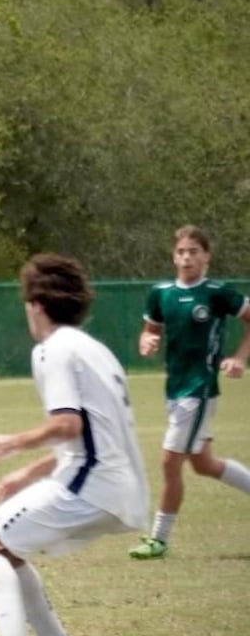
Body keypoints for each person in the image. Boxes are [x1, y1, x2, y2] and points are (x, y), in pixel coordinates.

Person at [0, 253, 149, 636]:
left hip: (93, 486)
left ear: (35, 305)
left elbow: (68, 424)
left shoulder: (54, 349)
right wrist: (28, 473)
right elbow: (90, 436)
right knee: (10, 552)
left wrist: (14, 442)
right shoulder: (96, 350)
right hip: (116, 486)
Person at [128, 225, 250, 560]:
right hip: (175, 388)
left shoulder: (217, 292)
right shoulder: (161, 293)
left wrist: (239, 358)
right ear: (174, 255)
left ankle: (158, 539)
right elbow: (149, 330)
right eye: (181, 251)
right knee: (204, 464)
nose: (186, 257)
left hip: (200, 388)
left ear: (206, 256)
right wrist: (146, 341)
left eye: (193, 251)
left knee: (169, 462)